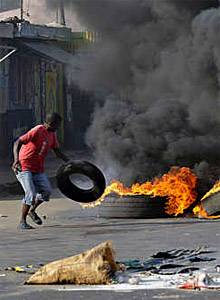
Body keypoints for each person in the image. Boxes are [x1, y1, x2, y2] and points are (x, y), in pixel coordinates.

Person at [12, 112, 69, 229]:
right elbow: (18, 142)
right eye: (56, 125)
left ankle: (31, 211)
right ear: (50, 123)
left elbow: (57, 152)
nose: (57, 128)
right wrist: (16, 160)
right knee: (31, 193)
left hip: (38, 169)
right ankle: (22, 221)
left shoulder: (52, 135)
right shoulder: (37, 130)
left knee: (46, 191)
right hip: (24, 167)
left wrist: (70, 162)